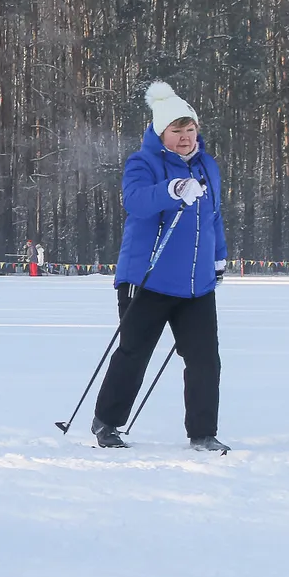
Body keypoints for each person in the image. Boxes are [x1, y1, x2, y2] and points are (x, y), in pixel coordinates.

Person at [92, 81, 228, 452]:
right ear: (160, 132)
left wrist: (218, 258)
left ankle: (203, 432)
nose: (185, 137)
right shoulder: (143, 162)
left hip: (196, 284)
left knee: (204, 359)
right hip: (147, 278)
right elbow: (136, 201)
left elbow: (214, 217)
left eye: (190, 129)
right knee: (134, 353)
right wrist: (173, 189)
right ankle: (107, 422)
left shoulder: (207, 166)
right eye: (176, 130)